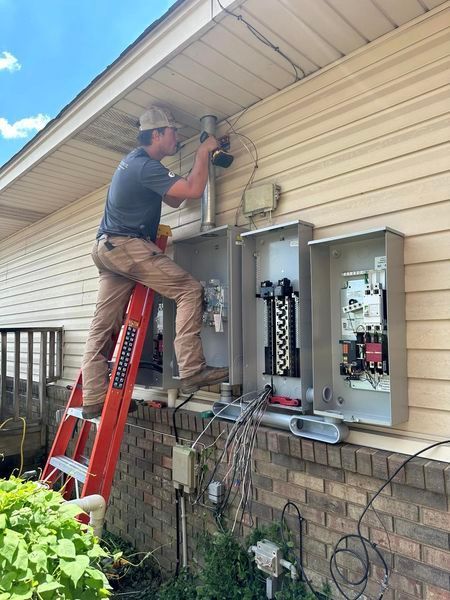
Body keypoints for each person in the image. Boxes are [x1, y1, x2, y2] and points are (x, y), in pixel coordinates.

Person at [80, 105, 229, 419]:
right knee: (189, 290)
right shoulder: (145, 165)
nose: (176, 137)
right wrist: (203, 151)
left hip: (107, 249)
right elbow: (193, 190)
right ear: (157, 134)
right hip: (125, 245)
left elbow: (175, 197)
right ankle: (192, 368)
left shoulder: (134, 165)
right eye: (173, 131)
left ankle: (93, 397)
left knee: (103, 327)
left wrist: (198, 159)